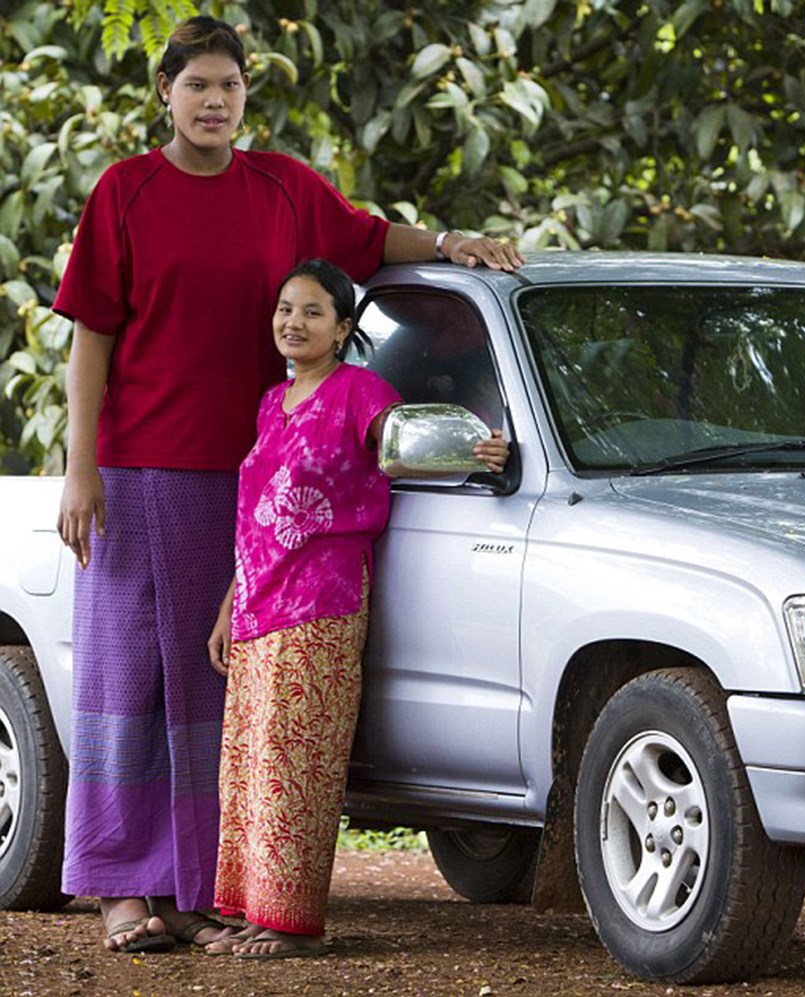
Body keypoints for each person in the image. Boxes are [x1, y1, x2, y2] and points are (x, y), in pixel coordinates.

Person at [53, 14, 522, 955]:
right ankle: (120, 886)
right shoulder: (124, 192)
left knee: (211, 686)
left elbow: (373, 239)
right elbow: (89, 340)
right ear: (166, 95)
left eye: (229, 85)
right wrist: (79, 470)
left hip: (261, 483)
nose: (216, 101)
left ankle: (193, 887)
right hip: (140, 469)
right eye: (198, 86)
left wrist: (454, 241)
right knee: (129, 676)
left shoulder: (285, 190)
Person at [203, 259, 505, 960]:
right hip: (254, 606)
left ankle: (292, 922)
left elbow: (408, 442)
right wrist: (227, 604)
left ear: (343, 328)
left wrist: (483, 447)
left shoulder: (360, 391)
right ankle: (254, 910)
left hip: (321, 602)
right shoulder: (268, 404)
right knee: (247, 765)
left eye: (312, 312)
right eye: (285, 308)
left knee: (295, 764)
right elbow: (255, 520)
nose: (293, 323)